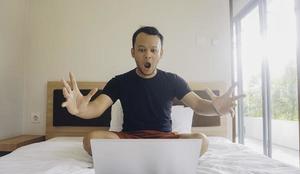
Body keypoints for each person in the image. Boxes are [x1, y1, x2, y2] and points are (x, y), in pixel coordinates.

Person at [61, 26, 244, 156]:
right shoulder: (119, 81)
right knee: (90, 139)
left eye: (153, 50)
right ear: (133, 52)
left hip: (164, 139)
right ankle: (151, 156)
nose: (147, 55)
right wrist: (80, 110)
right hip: (129, 139)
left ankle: (143, 156)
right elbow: (97, 108)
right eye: (141, 50)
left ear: (160, 53)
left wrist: (215, 108)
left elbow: (197, 104)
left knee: (202, 140)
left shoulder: (173, 80)